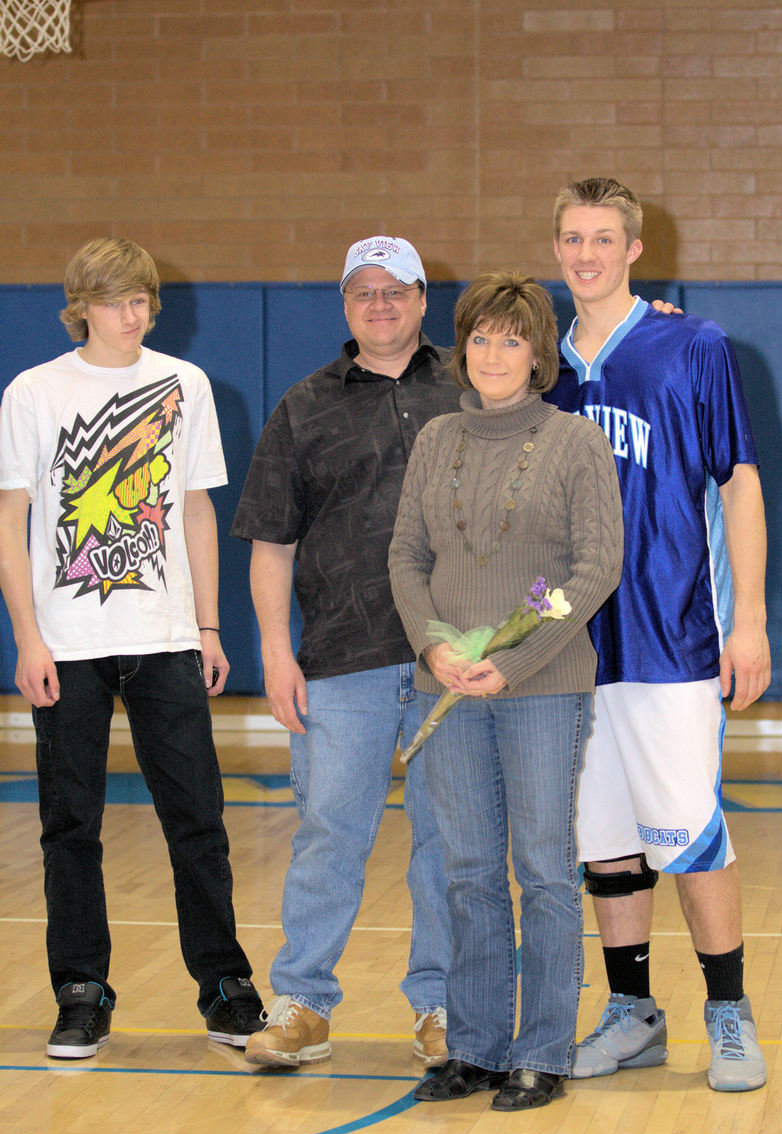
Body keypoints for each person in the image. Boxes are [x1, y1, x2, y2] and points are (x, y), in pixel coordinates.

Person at [0, 236, 266, 1058]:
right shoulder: (35, 392)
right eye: (116, 301)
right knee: (69, 823)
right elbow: (11, 522)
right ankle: (81, 989)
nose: (133, 314)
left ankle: (223, 985)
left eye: (143, 299)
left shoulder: (185, 387)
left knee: (196, 818)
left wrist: (209, 627)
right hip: (68, 644)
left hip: (165, 640)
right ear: (81, 305)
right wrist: (28, 638)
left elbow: (193, 512)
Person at [548, 177, 771, 1092]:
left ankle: (729, 1013)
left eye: (603, 239)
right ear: (556, 247)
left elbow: (739, 483)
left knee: (688, 832)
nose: (586, 254)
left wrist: (748, 618)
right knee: (603, 837)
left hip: (672, 635)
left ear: (634, 249)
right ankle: (631, 1012)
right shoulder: (537, 365)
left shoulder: (692, 345)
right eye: (571, 238)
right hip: (568, 644)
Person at [388, 271, 624, 1110]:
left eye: (511, 338)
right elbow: (407, 559)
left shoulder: (573, 443)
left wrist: (511, 660)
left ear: (538, 354)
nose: (493, 353)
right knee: (467, 871)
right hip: (445, 686)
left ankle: (544, 1052)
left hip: (540, 689)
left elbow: (592, 569)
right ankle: (479, 1048)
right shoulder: (435, 440)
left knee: (544, 871)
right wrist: (436, 645)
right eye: (480, 338)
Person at [232, 237, 457, 1069]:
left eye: (395, 289)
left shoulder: (469, 384)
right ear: (345, 305)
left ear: (423, 297)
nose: (380, 303)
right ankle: (302, 1004)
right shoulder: (304, 406)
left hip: (453, 664)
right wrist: (274, 655)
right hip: (338, 659)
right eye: (363, 291)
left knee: (449, 839)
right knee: (330, 833)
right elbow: (269, 542)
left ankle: (439, 1005)